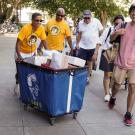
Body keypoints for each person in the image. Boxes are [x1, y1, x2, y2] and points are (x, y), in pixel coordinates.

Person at [108, 3, 135, 126]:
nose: (134, 13)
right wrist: (117, 33)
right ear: (130, 13)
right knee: (117, 86)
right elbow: (111, 39)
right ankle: (113, 97)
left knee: (132, 88)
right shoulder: (123, 24)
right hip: (120, 62)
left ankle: (128, 114)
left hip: (134, 65)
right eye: (133, 11)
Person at [14, 12, 47, 94]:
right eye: (37, 20)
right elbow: (17, 44)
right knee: (20, 72)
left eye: (40, 21)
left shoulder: (41, 28)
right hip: (21, 52)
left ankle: (28, 89)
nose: (39, 22)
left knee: (31, 71)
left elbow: (44, 41)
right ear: (32, 20)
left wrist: (49, 52)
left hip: (32, 53)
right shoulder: (25, 28)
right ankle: (17, 83)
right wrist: (19, 56)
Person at [99, 15, 124, 102]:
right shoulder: (109, 29)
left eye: (120, 24)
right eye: (116, 23)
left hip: (118, 55)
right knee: (107, 74)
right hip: (107, 53)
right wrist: (96, 51)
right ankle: (106, 93)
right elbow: (101, 40)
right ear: (113, 23)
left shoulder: (124, 31)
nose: (117, 25)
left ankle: (110, 88)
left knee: (114, 76)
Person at [76, 10, 103, 82]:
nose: (87, 19)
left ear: (91, 17)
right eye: (85, 18)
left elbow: (101, 31)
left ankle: (87, 77)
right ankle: (80, 76)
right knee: (81, 62)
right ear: (83, 17)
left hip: (92, 46)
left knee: (90, 62)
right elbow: (79, 34)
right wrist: (77, 44)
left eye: (88, 18)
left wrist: (97, 40)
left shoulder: (96, 21)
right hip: (83, 46)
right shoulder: (80, 23)